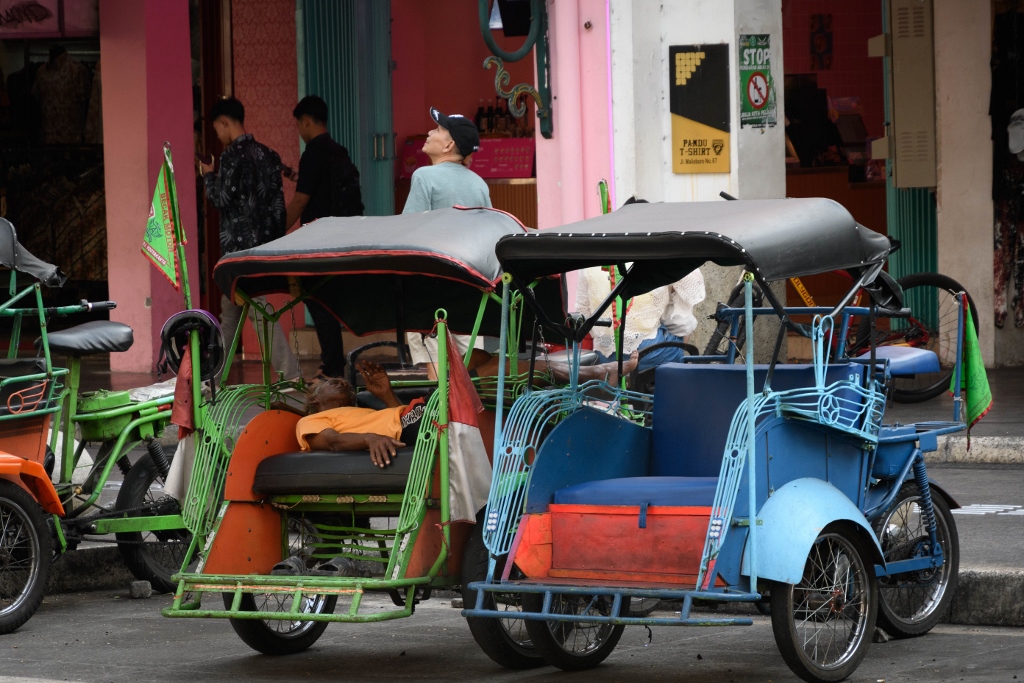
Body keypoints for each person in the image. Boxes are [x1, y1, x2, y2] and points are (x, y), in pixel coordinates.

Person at [198, 96, 301, 381]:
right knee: (231, 313)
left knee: (257, 312)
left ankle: (290, 374)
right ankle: (214, 379)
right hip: (263, 249)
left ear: (224, 122)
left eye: (218, 129)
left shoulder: (233, 155)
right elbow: (279, 206)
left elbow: (220, 198)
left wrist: (208, 176)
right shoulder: (267, 155)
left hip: (237, 252)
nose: (218, 136)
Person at [403, 107, 492, 366]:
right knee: (468, 366)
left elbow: (410, 229)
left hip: (432, 284)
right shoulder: (479, 183)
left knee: (435, 366)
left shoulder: (424, 176)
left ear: (449, 145)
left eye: (439, 129)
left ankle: (441, 409)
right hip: (470, 285)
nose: (430, 132)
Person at [285, 95, 364, 379]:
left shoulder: (313, 153)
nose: (300, 131)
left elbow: (300, 202)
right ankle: (332, 363)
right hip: (341, 236)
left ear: (306, 121)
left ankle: (332, 366)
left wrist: (276, 233)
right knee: (327, 300)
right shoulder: (338, 151)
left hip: (317, 240)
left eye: (299, 125)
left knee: (317, 300)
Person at [297, 361, 426, 468]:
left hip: (411, 418)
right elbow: (332, 441)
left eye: (347, 385)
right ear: (315, 398)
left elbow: (399, 418)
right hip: (409, 426)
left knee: (441, 398)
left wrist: (386, 394)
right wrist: (368, 438)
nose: (343, 384)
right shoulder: (310, 420)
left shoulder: (363, 413)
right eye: (334, 383)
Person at [577, 266, 706, 373]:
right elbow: (693, 290)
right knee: (682, 326)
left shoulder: (590, 261)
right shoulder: (658, 251)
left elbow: (583, 312)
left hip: (603, 352)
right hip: (648, 353)